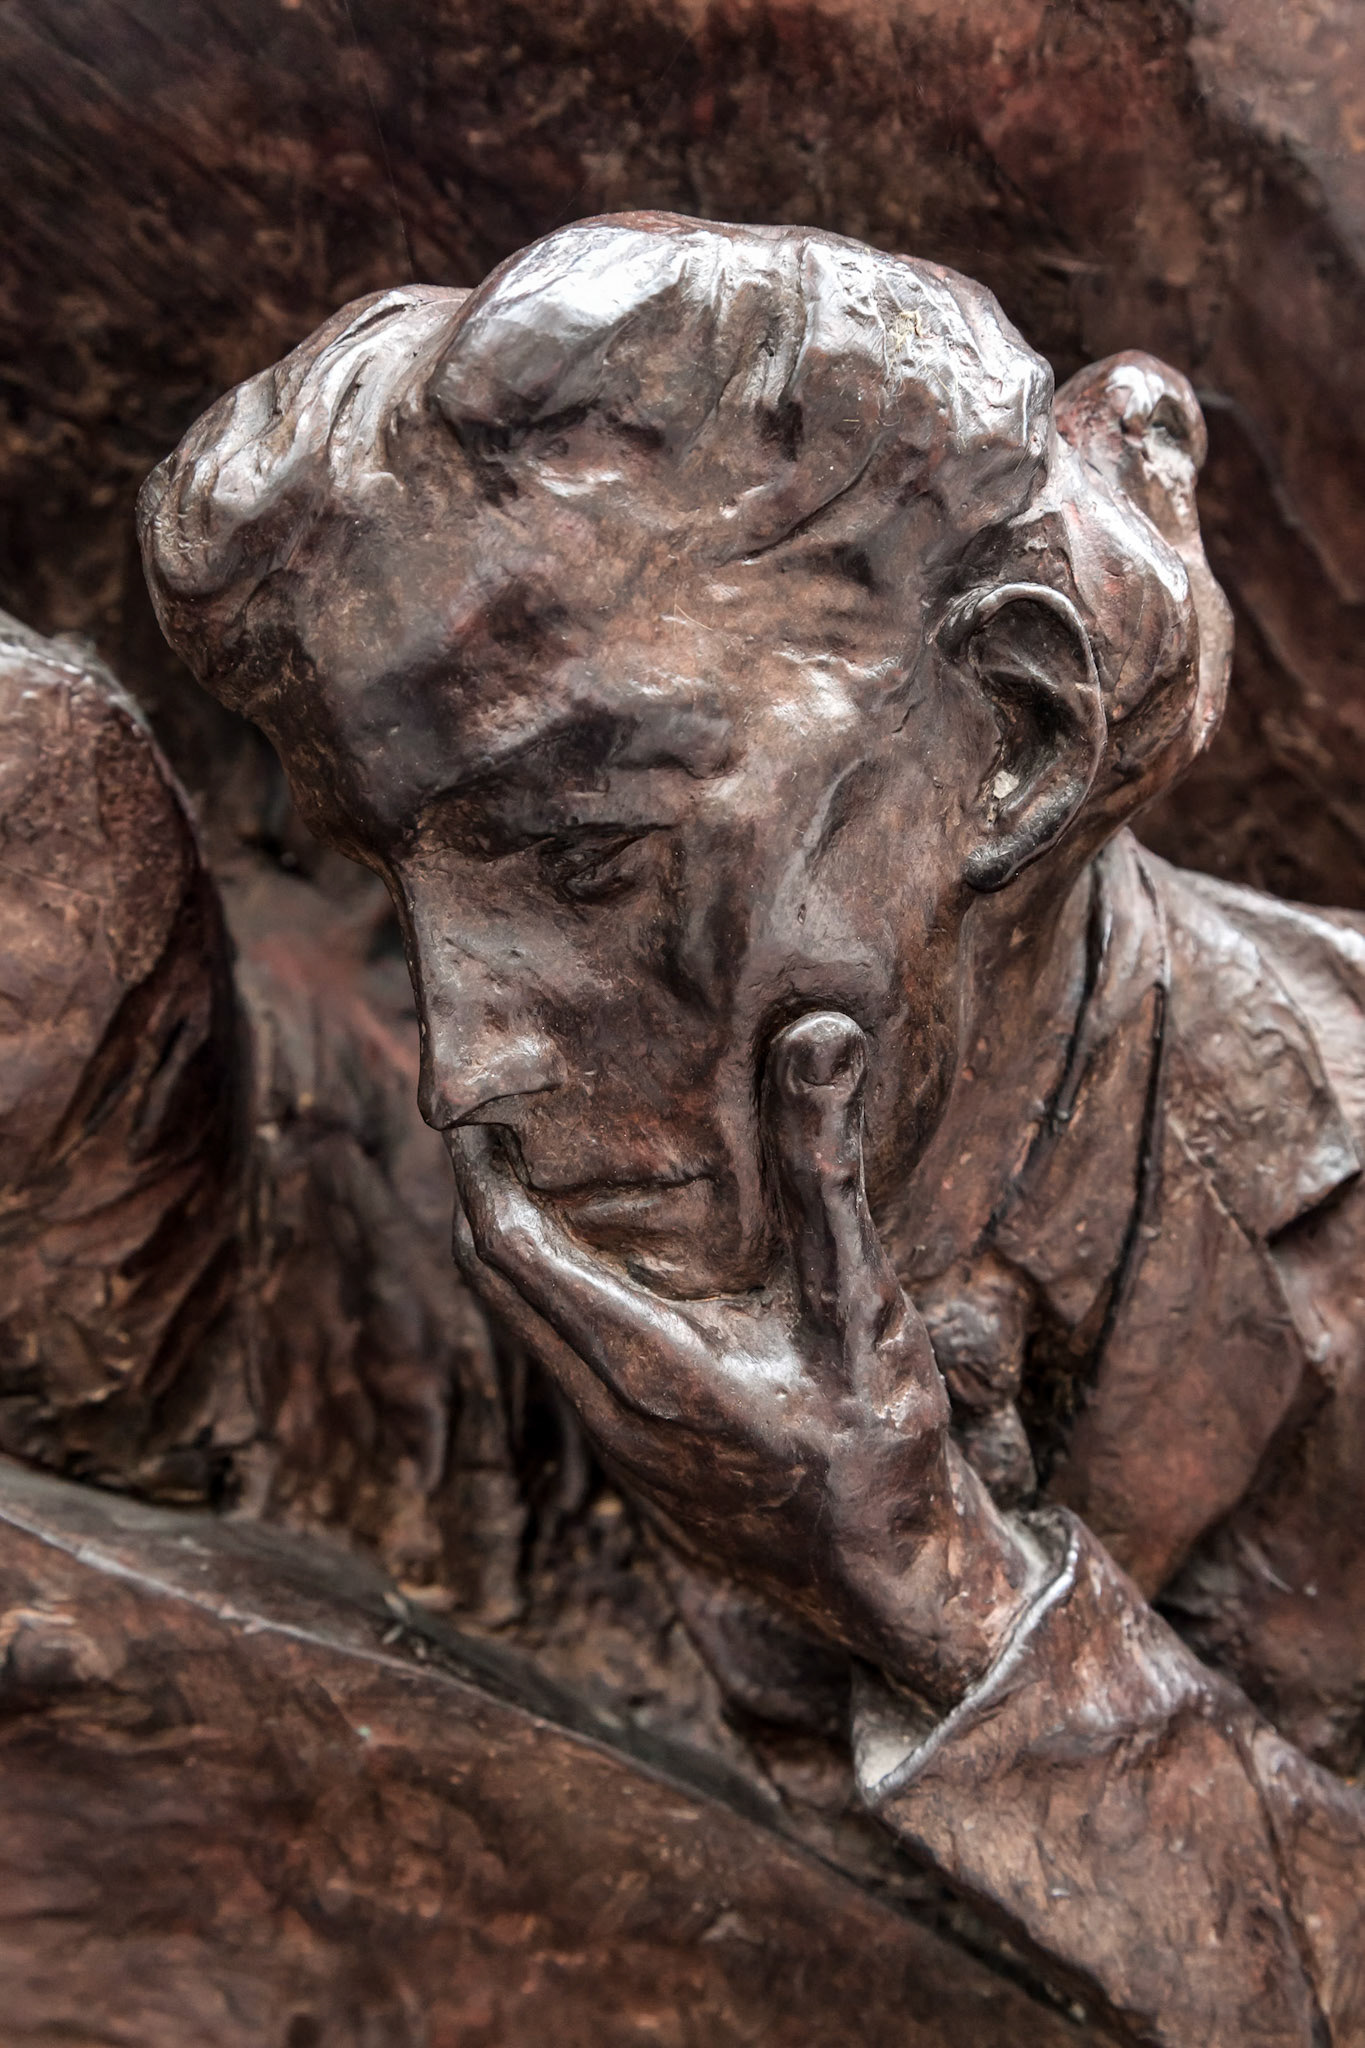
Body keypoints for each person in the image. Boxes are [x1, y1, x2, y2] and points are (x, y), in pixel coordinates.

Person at [140, 213, 1365, 2045]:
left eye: (581, 854)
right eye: (406, 879)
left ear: (1010, 737)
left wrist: (943, 1595)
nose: (469, 1057)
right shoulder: (458, 1240)